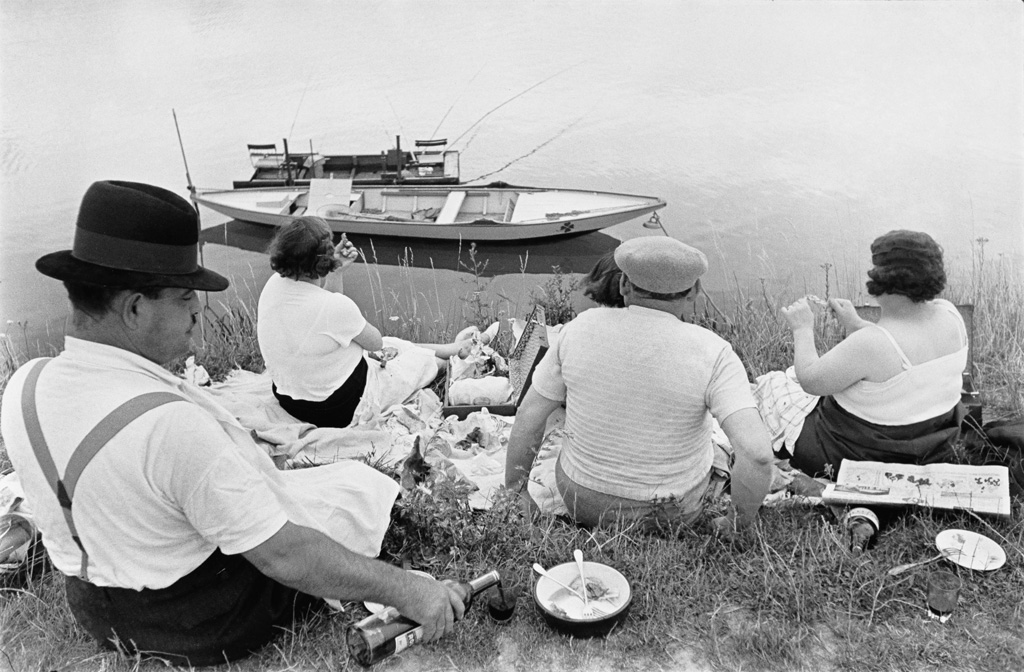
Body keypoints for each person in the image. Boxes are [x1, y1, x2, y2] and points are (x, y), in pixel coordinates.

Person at [0, 182, 465, 665]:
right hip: (197, 618)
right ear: (135, 308)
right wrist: (411, 592)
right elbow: (284, 556)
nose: (198, 312)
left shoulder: (24, 385)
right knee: (352, 489)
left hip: (92, 607)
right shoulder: (170, 424)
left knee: (317, 489)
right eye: (185, 297)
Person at [504, 236, 774, 533]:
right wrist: (737, 523)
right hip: (671, 513)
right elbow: (758, 454)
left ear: (623, 286)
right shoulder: (715, 352)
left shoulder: (579, 328)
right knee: (719, 448)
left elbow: (529, 415)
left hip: (580, 500)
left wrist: (517, 492)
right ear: (694, 291)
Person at [779, 229, 968, 478]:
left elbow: (811, 381)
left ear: (881, 278)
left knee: (777, 387)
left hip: (863, 452)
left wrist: (802, 329)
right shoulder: (951, 315)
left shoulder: (871, 344)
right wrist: (855, 323)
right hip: (933, 442)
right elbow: (899, 349)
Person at [256, 217, 471, 429]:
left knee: (393, 343)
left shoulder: (273, 286)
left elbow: (327, 316)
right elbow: (375, 343)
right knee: (418, 361)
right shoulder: (335, 307)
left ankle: (452, 348)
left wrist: (336, 270)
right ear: (323, 260)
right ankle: (451, 358)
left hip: (291, 401)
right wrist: (334, 267)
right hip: (338, 409)